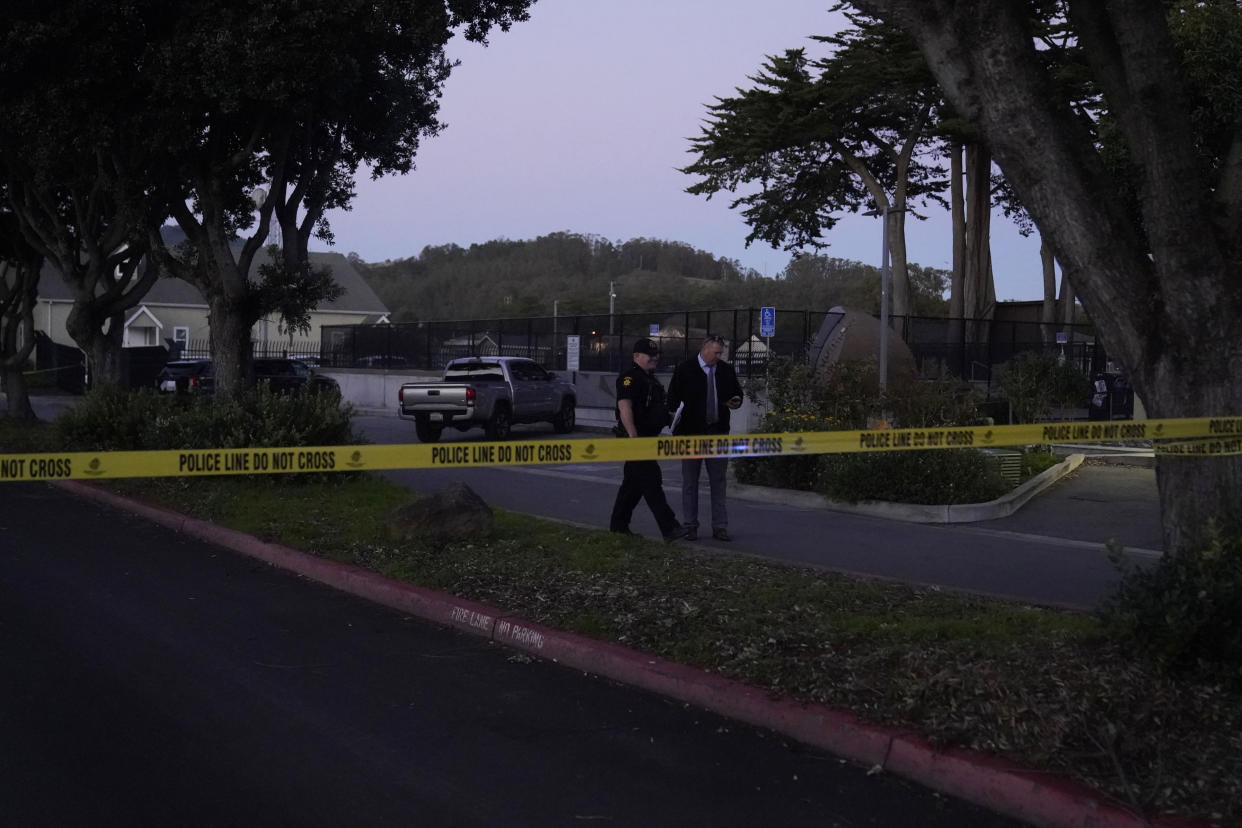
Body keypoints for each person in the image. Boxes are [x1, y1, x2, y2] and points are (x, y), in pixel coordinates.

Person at [666, 334, 744, 541]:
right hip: (692, 434)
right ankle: (690, 525)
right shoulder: (685, 369)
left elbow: (737, 393)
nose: (719, 356)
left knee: (718, 481)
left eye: (721, 353)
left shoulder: (725, 370)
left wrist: (736, 401)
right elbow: (672, 400)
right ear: (705, 349)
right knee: (690, 482)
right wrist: (676, 425)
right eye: (716, 352)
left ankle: (720, 526)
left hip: (717, 433)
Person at [609, 338, 688, 542]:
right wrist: (633, 437)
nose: (655, 358)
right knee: (651, 481)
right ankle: (670, 527)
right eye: (649, 355)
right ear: (636, 356)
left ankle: (618, 526)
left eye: (656, 355)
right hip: (637, 439)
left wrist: (670, 417)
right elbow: (625, 407)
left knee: (633, 485)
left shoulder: (651, 379)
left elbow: (653, 409)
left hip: (649, 438)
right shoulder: (630, 378)